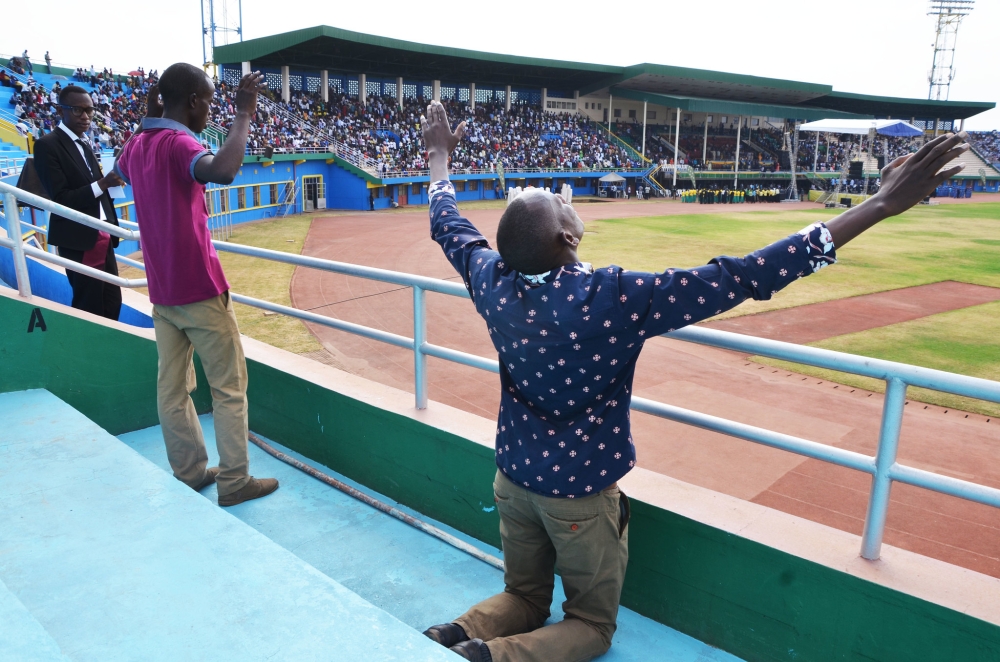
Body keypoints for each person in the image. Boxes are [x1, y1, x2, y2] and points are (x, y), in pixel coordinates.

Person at [416, 100, 969, 662]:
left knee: (522, 595)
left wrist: (439, 155)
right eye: (558, 204)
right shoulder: (614, 299)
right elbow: (745, 276)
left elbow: (449, 224)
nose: (565, 198)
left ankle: (451, 634)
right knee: (590, 625)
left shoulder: (490, 279)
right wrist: (879, 204)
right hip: (578, 498)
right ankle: (488, 657)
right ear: (567, 238)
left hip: (512, 479)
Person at [114, 63, 278, 507]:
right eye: (208, 101)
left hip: (162, 292)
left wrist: (147, 119)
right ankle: (235, 481)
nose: (211, 109)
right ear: (191, 102)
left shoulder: (140, 143)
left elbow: (120, 168)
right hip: (200, 289)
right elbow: (223, 170)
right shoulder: (177, 142)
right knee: (229, 388)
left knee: (171, 389)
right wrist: (244, 114)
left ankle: (188, 473)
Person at [33, 84, 124, 320]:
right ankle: (88, 355)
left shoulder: (84, 143)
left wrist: (109, 185)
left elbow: (94, 186)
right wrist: (103, 184)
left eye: (90, 111)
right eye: (77, 110)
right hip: (80, 238)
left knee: (112, 303)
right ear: (60, 110)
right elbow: (61, 198)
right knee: (89, 305)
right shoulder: (47, 145)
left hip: (103, 233)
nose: (85, 116)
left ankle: (106, 353)